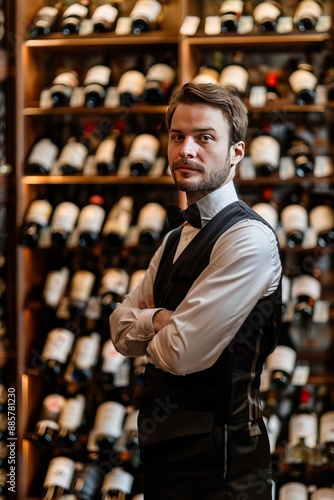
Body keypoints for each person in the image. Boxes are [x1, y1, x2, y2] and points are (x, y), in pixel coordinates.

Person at [110, 82, 282, 499]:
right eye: (177, 136)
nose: (186, 149)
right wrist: (161, 320)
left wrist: (153, 327)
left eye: (205, 138)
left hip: (225, 463)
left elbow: (181, 353)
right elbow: (118, 331)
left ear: (235, 153)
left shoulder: (248, 239)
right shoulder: (173, 239)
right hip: (162, 453)